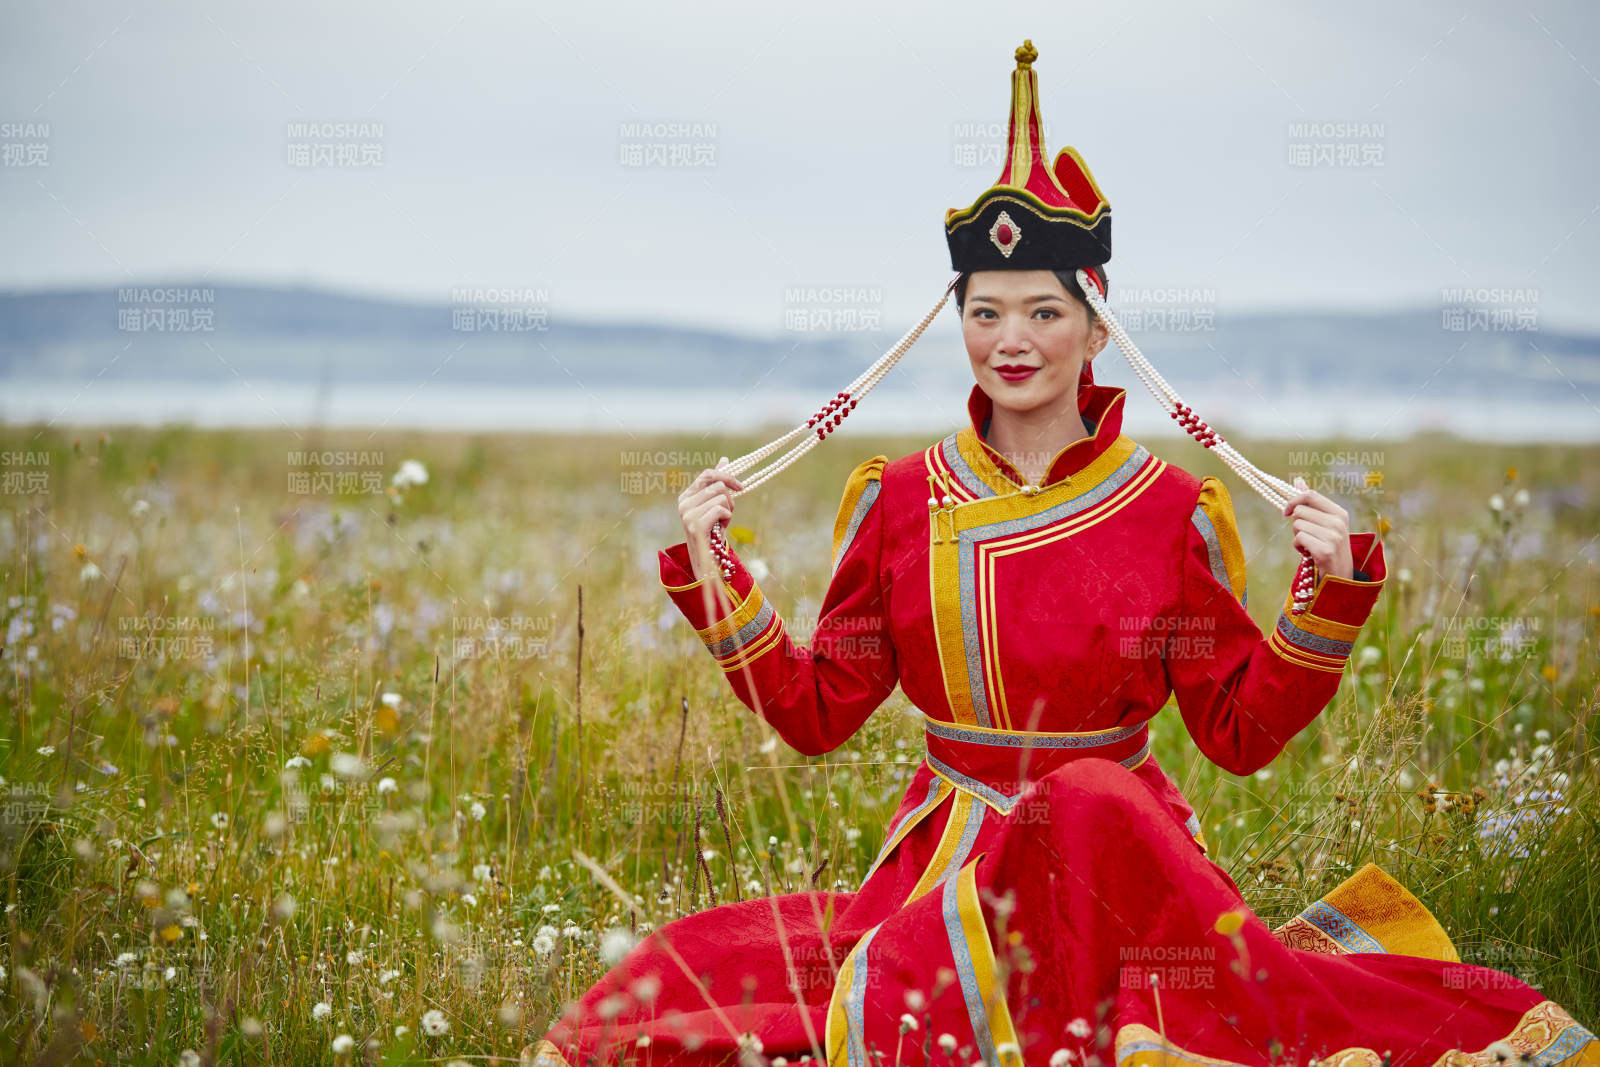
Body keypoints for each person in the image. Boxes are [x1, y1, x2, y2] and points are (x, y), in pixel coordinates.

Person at [526, 40, 1596, 1067]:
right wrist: (720, 578)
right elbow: (815, 714)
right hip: (949, 860)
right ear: (956, 321)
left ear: (1096, 329)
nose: (1013, 338)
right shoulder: (900, 499)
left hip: (1122, 855)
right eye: (985, 311)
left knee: (1086, 794)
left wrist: (1329, 591)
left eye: (1044, 309)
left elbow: (1235, 733)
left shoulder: (1167, 507)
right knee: (689, 977)